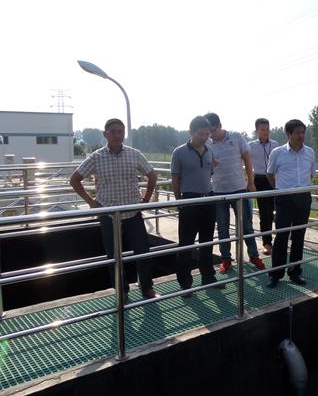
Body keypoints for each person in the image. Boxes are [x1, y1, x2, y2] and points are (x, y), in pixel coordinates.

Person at [70, 118, 159, 299]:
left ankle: (147, 288)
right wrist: (91, 202)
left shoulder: (134, 154)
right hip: (108, 213)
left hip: (132, 211)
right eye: (113, 132)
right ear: (105, 134)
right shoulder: (96, 157)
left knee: (142, 251)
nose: (118, 135)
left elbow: (152, 175)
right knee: (113, 255)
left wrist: (146, 199)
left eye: (121, 131)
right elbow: (75, 180)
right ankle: (121, 291)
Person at [204, 113, 266, 273]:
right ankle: (226, 259)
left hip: (239, 189)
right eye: (208, 132)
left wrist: (251, 182)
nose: (211, 135)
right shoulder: (207, 143)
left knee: (246, 225)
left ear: (220, 125)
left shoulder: (236, 137)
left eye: (213, 130)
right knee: (222, 228)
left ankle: (254, 256)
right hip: (218, 192)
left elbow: (247, 160)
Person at [171, 116, 224, 296]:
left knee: (207, 240)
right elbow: (175, 178)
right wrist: (179, 201)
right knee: (186, 242)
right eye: (201, 134)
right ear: (191, 132)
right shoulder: (179, 152)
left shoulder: (210, 151)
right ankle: (185, 282)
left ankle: (208, 276)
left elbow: (209, 173)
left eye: (207, 134)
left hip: (208, 198)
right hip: (189, 199)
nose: (204, 137)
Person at [265, 119, 316, 288]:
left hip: (303, 198)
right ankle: (276, 274)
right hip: (284, 199)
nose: (301, 136)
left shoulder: (310, 152)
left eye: (303, 132)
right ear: (288, 134)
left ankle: (295, 272)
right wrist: (280, 189)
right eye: (297, 133)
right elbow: (270, 174)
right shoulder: (277, 153)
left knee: (299, 237)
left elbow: (312, 174)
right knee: (281, 236)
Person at [248, 118, 279, 255]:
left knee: (280, 211)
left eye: (267, 129)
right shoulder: (250, 146)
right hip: (260, 180)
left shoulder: (275, 144)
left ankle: (281, 239)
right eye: (262, 129)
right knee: (265, 214)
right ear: (256, 130)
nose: (265, 132)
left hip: (275, 179)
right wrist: (250, 181)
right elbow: (246, 164)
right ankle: (267, 243)